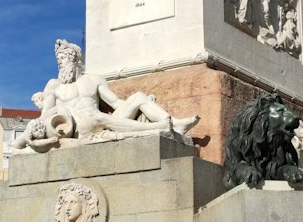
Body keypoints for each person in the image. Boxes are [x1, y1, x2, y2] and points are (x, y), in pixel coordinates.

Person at [16, 40, 199, 147]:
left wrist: (143, 105)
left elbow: (116, 104)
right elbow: (45, 114)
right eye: (59, 60)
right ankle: (158, 127)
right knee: (96, 117)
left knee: (138, 97)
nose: (60, 64)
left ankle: (175, 125)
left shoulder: (94, 80)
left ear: (76, 60)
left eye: (64, 59)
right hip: (78, 128)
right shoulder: (54, 85)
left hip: (100, 120)